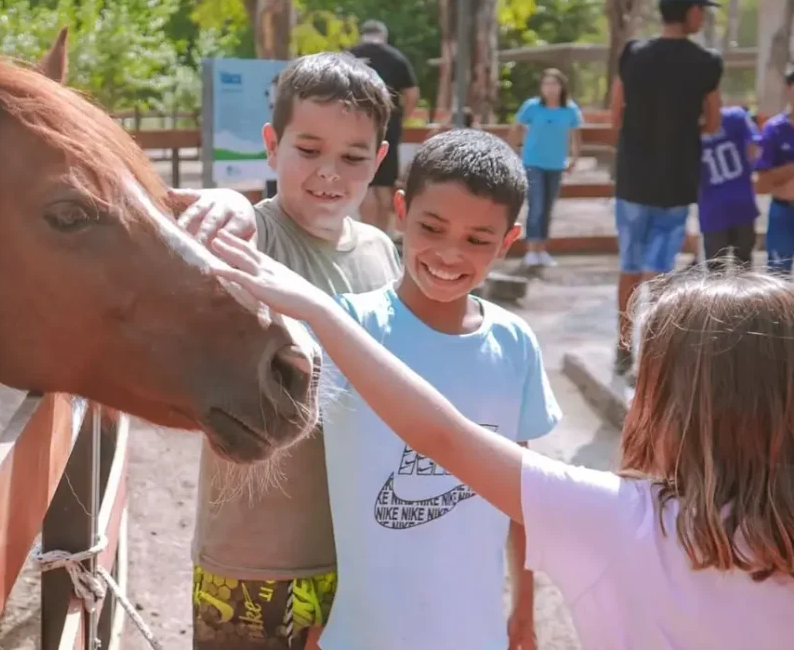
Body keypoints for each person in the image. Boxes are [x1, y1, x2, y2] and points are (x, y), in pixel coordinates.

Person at [209, 224, 794, 650]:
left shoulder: (618, 520)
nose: (637, 396)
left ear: (677, 405)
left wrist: (321, 312)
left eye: (648, 380)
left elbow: (442, 436)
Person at [229, 128, 560, 649]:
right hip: (361, 636)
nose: (450, 254)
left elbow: (522, 496)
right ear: (401, 212)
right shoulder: (344, 327)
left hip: (476, 636)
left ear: (508, 241)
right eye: (433, 227)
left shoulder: (515, 343)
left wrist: (523, 610)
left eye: (477, 239)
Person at [176, 51, 402, 650]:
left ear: (378, 161)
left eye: (353, 157)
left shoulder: (382, 252)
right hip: (251, 558)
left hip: (355, 555)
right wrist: (223, 202)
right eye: (308, 150)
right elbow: (211, 232)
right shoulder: (249, 238)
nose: (330, 172)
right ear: (272, 145)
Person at [608, 0, 722, 376]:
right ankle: (652, 356)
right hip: (675, 183)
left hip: (632, 179)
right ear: (692, 11)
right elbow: (712, 123)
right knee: (659, 272)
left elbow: (615, 111)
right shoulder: (707, 63)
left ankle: (623, 347)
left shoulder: (633, 53)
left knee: (629, 266)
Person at [348, 20, 419, 237]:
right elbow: (412, 94)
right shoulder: (396, 58)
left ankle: (369, 235)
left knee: (366, 182)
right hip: (388, 125)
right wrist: (400, 118)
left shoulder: (349, 56)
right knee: (385, 183)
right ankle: (384, 236)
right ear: (383, 36)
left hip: (354, 125)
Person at [510, 68, 583, 269]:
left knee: (548, 208)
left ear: (562, 87)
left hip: (555, 165)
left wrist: (575, 158)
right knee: (536, 206)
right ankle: (531, 250)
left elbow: (575, 135)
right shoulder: (532, 107)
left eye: (554, 84)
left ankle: (542, 249)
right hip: (533, 163)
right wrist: (514, 151)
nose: (550, 88)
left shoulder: (570, 110)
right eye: (546, 84)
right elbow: (516, 128)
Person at [697, 105, 759, 269]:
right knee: (744, 268)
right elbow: (754, 150)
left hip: (713, 207)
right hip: (740, 200)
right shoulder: (737, 117)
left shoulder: (685, 128)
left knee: (716, 273)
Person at [752, 68, 794, 277]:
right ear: (788, 89)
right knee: (778, 279)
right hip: (783, 212)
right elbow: (761, 184)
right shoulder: (774, 129)